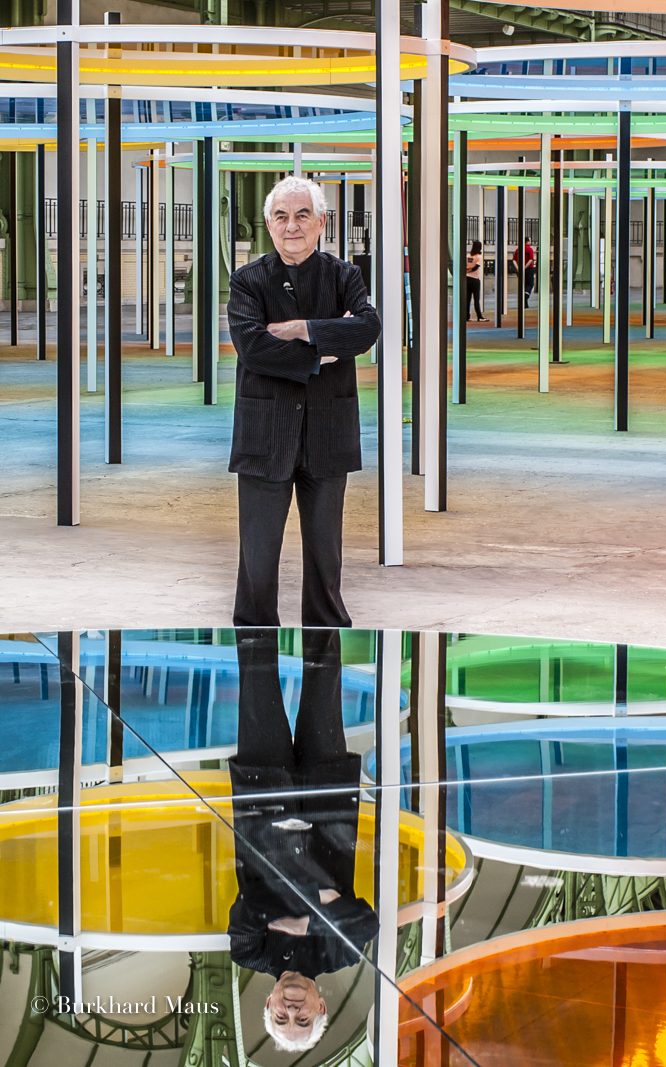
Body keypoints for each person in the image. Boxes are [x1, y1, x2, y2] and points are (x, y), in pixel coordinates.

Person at [227, 176, 382, 627]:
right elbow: (252, 348)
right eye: (281, 216)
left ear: (321, 222)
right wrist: (325, 349)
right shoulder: (248, 281)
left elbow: (367, 330)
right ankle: (255, 652)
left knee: (325, 561)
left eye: (301, 216)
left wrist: (299, 329)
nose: (291, 226)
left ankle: (326, 652)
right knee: (256, 566)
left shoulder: (344, 276)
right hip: (265, 437)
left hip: (326, 435)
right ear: (269, 225)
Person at [228, 628, 379, 1053]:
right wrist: (301, 920)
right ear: (321, 1007)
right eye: (302, 1018)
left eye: (281, 1016)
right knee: (324, 663)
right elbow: (367, 922)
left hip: (263, 792)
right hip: (326, 792)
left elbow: (247, 911)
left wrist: (324, 903)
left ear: (270, 1002)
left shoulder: (249, 954)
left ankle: (257, 557)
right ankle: (324, 558)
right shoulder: (341, 956)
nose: (292, 1011)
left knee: (256, 661)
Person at [465, 240, 487, 321]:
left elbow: (465, 266)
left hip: (467, 278)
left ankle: (466, 316)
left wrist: (467, 269)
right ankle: (479, 316)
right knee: (476, 299)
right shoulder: (479, 257)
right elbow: (476, 267)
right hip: (475, 279)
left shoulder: (468, 256)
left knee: (467, 299)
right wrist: (471, 269)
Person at [512, 238, 535, 307]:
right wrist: (524, 267)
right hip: (529, 269)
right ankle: (525, 296)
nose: (530, 242)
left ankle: (525, 302)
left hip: (519, 270)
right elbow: (531, 260)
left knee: (523, 285)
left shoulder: (518, 249)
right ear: (527, 242)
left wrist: (518, 268)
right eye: (530, 241)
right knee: (530, 284)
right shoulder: (530, 249)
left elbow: (514, 260)